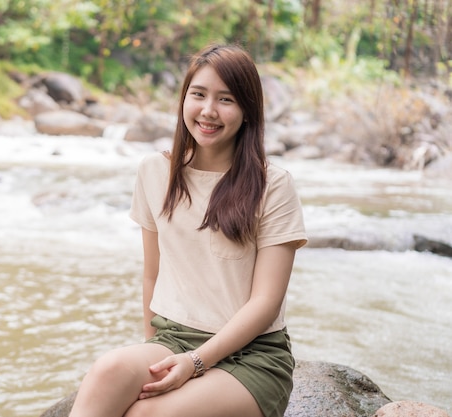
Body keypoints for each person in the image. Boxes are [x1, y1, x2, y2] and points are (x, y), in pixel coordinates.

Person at [68, 44, 307, 417]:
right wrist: (149, 355)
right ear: (184, 100)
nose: (208, 110)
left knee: (147, 415)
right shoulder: (154, 172)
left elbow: (266, 303)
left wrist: (195, 363)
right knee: (107, 371)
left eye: (225, 99)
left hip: (252, 355)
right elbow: (152, 272)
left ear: (247, 111)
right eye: (198, 95)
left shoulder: (272, 185)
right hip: (173, 337)